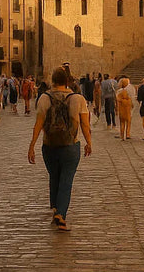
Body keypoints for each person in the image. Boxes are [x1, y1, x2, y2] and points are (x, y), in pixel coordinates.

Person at [28, 68, 92, 231]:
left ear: (53, 81)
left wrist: (32, 145)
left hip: (49, 144)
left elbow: (39, 124)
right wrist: (89, 142)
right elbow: (84, 123)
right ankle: (61, 216)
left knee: (54, 177)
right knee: (66, 180)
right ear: (68, 81)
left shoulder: (44, 98)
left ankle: (56, 209)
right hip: (71, 144)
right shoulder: (78, 99)